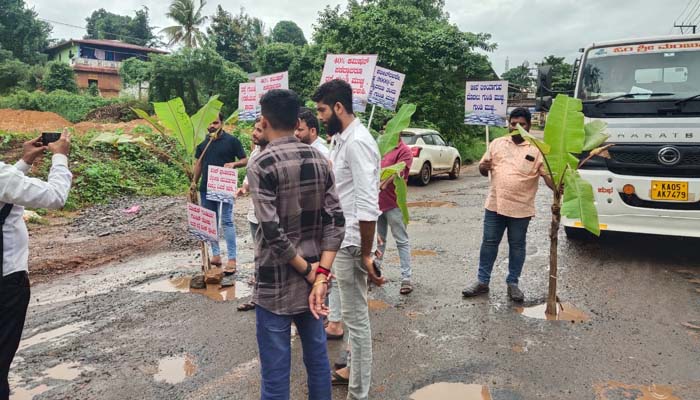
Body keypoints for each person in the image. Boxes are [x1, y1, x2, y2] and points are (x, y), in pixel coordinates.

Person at [247, 89, 345, 400]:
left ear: (265, 119)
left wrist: (308, 271)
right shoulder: (320, 158)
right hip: (315, 285)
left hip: (275, 282)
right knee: (317, 362)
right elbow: (336, 221)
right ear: (296, 120)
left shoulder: (261, 164)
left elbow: (273, 232)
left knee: (275, 374)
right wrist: (321, 275)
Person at [313, 79, 384, 399]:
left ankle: (359, 394)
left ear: (339, 107)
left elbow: (369, 205)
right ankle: (355, 385)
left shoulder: (356, 142)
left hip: (353, 242)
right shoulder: (342, 140)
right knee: (355, 322)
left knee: (357, 324)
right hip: (345, 239)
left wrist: (366, 254)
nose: (320, 117)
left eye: (323, 110)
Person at [1, 131, 72, 400]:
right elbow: (55, 196)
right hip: (6, 282)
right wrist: (60, 157)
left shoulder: (5, 177)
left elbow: (7, 192)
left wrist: (24, 161)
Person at [462, 108, 554, 302]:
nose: (516, 127)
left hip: (521, 209)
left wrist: (560, 187)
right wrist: (482, 167)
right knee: (488, 243)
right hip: (495, 205)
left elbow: (549, 178)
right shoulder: (497, 143)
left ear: (529, 125)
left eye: (521, 124)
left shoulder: (537, 149)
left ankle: (513, 283)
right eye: (513, 124)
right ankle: (482, 282)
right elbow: (482, 168)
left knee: (517, 246)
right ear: (509, 124)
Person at [194, 113, 248, 274]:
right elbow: (199, 164)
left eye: (216, 122)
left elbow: (245, 159)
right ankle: (216, 255)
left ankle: (232, 259)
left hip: (224, 186)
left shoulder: (232, 141)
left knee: (227, 221)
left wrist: (234, 164)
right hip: (206, 188)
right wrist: (193, 183)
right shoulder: (203, 143)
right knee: (210, 223)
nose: (212, 126)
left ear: (222, 123)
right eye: (210, 123)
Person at [375, 138, 414, 295]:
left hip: (394, 202)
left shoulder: (404, 151)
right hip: (376, 203)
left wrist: (383, 183)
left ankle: (406, 278)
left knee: (401, 241)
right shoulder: (381, 147)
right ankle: (375, 271)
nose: (386, 133)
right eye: (384, 130)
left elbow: (399, 171)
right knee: (378, 240)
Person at [235, 117, 266, 312]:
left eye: (258, 130)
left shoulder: (273, 154)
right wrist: (244, 187)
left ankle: (269, 299)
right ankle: (257, 297)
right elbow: (250, 174)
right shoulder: (256, 151)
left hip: (268, 216)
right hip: (254, 213)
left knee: (267, 257)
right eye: (254, 129)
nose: (254, 133)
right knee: (258, 257)